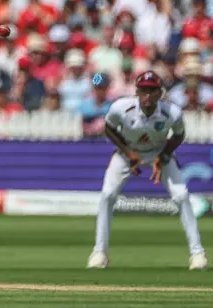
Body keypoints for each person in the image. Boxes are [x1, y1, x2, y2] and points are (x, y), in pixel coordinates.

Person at [87, 71, 207, 270]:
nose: (147, 96)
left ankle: (198, 254)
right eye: (143, 90)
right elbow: (109, 128)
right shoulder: (121, 108)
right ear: (136, 91)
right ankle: (99, 252)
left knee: (182, 196)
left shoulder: (172, 112)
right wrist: (129, 152)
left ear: (160, 93)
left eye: (152, 91)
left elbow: (179, 135)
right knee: (107, 195)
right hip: (127, 154)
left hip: (159, 152)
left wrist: (164, 156)